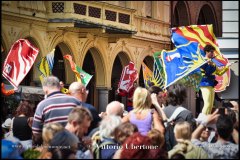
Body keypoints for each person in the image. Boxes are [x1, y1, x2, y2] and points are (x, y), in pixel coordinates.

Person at [32, 76, 81, 146]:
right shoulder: (75, 101)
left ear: (45, 89)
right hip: (74, 146)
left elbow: (36, 132)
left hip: (52, 148)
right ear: (59, 87)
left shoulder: (42, 105)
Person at [199, 44, 233, 115]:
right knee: (207, 104)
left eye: (213, 52)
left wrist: (226, 67)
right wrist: (208, 64)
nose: (213, 53)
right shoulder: (202, 61)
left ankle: (207, 120)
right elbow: (205, 73)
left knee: (211, 105)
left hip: (211, 85)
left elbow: (219, 73)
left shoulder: (212, 63)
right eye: (211, 52)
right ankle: (201, 121)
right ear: (207, 52)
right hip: (205, 84)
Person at [163, 83, 196, 151]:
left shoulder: (162, 112)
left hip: (165, 151)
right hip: (182, 151)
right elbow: (193, 136)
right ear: (183, 97)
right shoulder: (187, 114)